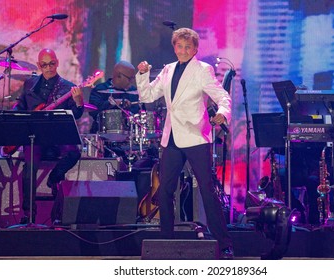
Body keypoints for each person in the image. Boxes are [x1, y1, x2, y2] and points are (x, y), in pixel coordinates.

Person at [136, 28, 234, 259]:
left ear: (195, 49)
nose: (183, 50)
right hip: (171, 137)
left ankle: (224, 243)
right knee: (165, 190)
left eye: (187, 47)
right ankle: (166, 242)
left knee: (208, 191)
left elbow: (223, 97)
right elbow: (148, 96)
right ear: (174, 47)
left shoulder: (203, 70)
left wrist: (222, 113)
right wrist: (142, 75)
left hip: (195, 136)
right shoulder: (168, 70)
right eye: (179, 46)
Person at [14, 48, 84, 224]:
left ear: (57, 63)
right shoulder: (30, 84)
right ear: (39, 65)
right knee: (29, 163)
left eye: (52, 63)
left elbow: (76, 114)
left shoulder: (67, 87)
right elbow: (20, 107)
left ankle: (54, 178)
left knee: (75, 151)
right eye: (44, 65)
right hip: (35, 137)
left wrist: (78, 102)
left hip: (57, 136)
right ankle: (28, 214)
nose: (49, 68)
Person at [88, 60, 140, 134]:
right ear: (119, 76)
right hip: (103, 135)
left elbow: (139, 113)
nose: (132, 81)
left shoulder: (134, 92)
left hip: (129, 136)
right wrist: (112, 103)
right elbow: (93, 111)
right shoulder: (100, 89)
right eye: (130, 78)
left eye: (133, 78)